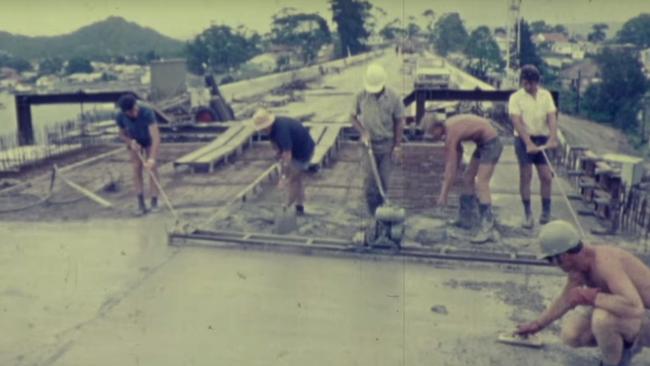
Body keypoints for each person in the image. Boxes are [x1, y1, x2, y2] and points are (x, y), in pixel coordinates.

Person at [516, 220, 650, 366]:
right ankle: (624, 347)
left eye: (550, 259)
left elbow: (634, 307)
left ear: (563, 256)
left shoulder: (605, 262)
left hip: (643, 313)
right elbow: (566, 299)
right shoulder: (578, 267)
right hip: (634, 317)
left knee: (602, 319)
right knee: (571, 334)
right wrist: (537, 325)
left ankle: (615, 363)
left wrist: (593, 297)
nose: (553, 264)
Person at [424, 113, 503, 242]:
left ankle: (488, 227)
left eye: (433, 133)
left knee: (481, 183)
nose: (433, 137)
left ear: (438, 127)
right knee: (467, 177)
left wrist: (443, 195)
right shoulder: (449, 128)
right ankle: (467, 219)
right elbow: (456, 157)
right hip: (483, 144)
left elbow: (450, 168)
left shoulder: (451, 133)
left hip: (492, 144)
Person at [351, 63, 405, 217]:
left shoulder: (394, 97)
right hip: (368, 146)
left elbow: (400, 121)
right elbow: (352, 116)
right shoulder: (360, 96)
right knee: (369, 182)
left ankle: (382, 212)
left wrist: (397, 146)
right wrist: (362, 132)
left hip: (387, 144)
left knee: (384, 181)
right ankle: (371, 214)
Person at [508, 64, 558, 228]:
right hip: (524, 140)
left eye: (531, 83)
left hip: (542, 138)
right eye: (525, 82)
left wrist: (552, 137)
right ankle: (528, 213)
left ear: (537, 82)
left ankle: (546, 212)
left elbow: (551, 116)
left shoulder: (546, 96)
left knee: (546, 176)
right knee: (526, 176)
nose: (528, 86)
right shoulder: (516, 98)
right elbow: (517, 122)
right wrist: (528, 143)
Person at [252, 109, 315, 215]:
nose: (261, 131)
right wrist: (278, 152)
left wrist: (283, 177)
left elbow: (287, 155)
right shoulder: (271, 129)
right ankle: (299, 206)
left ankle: (287, 207)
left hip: (303, 151)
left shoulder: (282, 131)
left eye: (262, 128)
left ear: (267, 124)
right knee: (296, 179)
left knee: (292, 179)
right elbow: (275, 144)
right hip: (294, 148)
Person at [115, 94, 161, 215]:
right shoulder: (120, 116)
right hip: (135, 140)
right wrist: (130, 142)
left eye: (135, 110)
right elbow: (121, 134)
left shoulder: (147, 111)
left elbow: (156, 137)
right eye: (130, 113)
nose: (134, 114)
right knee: (136, 168)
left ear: (136, 105)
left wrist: (152, 159)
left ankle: (154, 200)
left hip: (149, 139)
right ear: (125, 112)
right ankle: (141, 203)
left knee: (152, 168)